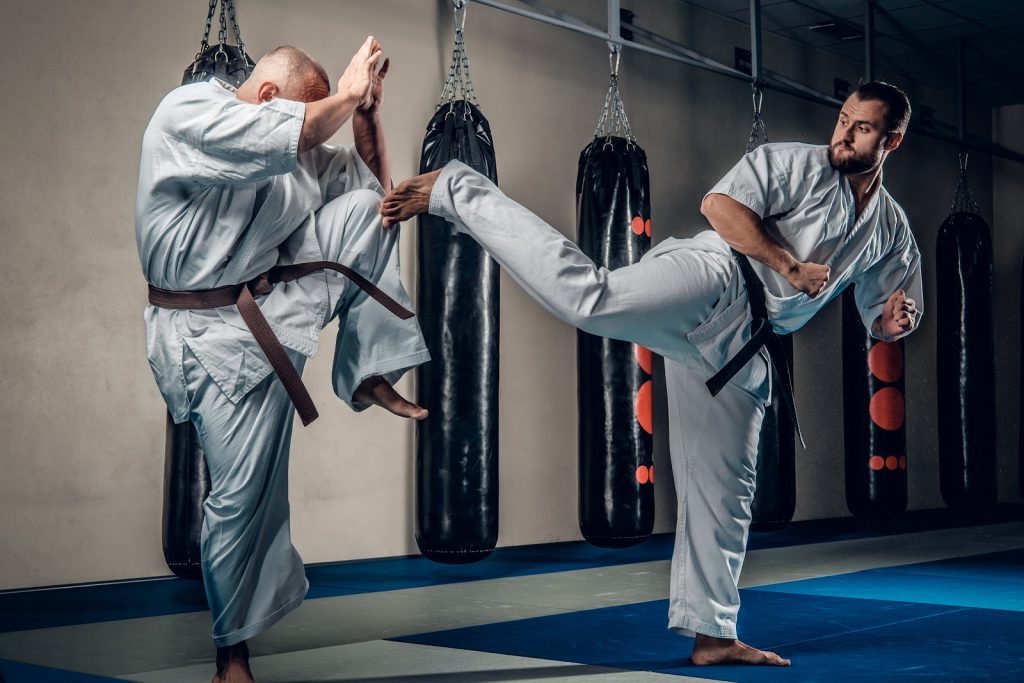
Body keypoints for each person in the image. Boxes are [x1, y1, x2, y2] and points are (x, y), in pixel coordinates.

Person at [380, 81, 921, 667]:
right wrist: (788, 265)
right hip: (714, 277)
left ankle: (713, 635)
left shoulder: (889, 228)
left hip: (745, 345)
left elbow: (883, 311)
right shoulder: (796, 164)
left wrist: (895, 319)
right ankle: (459, 188)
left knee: (727, 492)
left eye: (861, 127)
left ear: (891, 139)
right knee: (592, 300)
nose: (842, 133)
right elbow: (719, 207)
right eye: (842, 118)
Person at [136, 39, 430, 683]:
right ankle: (231, 657)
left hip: (268, 309)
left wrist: (366, 120)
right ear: (269, 97)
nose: (313, 134)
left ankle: (369, 366)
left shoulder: (303, 157)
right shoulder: (187, 112)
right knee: (240, 498)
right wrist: (342, 95)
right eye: (312, 112)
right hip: (199, 332)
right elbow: (285, 134)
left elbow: (381, 195)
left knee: (371, 213)